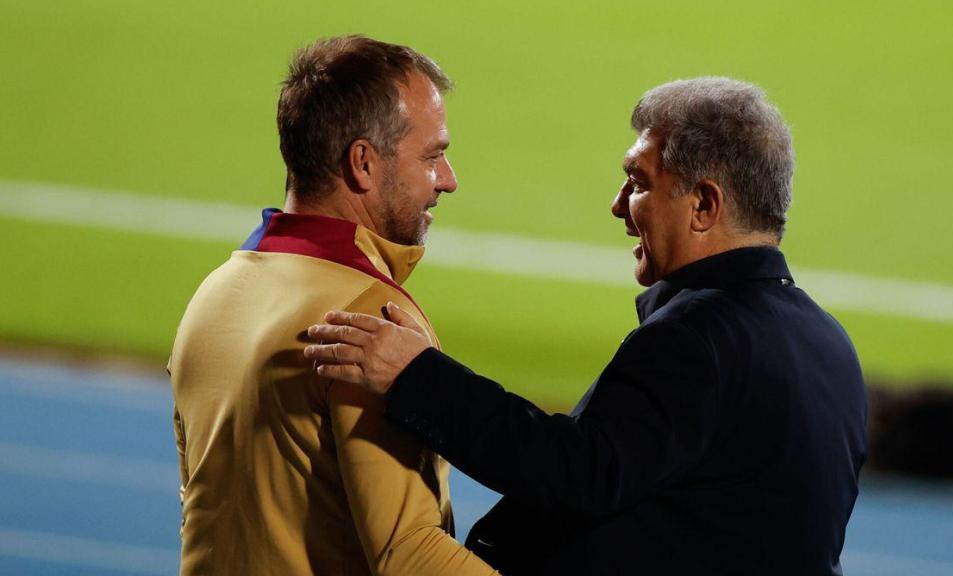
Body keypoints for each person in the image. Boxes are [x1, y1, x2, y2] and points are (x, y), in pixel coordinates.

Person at [304, 77, 869, 575]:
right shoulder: (829, 343)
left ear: (704, 205)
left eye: (639, 182)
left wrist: (415, 375)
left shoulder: (700, 337)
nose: (619, 205)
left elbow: (577, 471)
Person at [168, 36, 496, 575]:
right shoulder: (371, 317)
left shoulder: (214, 295)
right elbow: (409, 552)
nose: (448, 180)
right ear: (363, 164)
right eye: (433, 156)